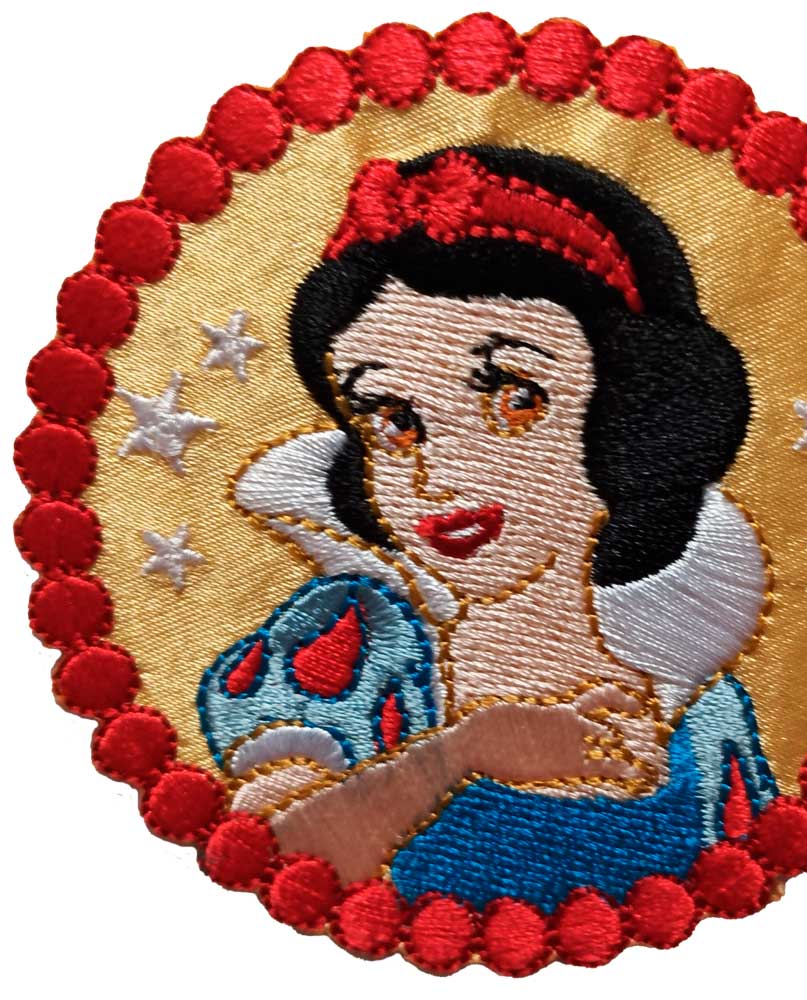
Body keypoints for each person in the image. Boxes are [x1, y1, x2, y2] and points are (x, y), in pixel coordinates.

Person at [199, 146, 776, 911]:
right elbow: (270, 857)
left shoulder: (702, 714)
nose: (437, 478)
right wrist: (462, 753)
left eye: (513, 399)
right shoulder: (349, 651)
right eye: (395, 422)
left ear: (628, 416)